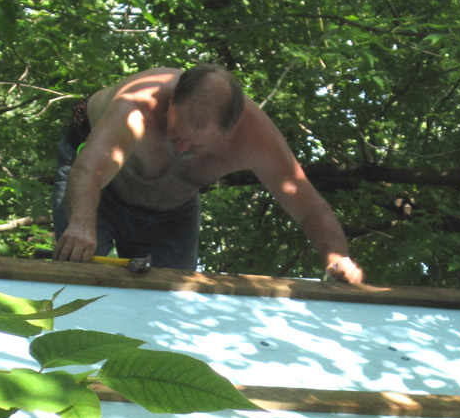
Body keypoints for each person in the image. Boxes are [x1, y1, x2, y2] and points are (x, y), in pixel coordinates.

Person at [52, 64, 366, 283]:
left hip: (171, 213)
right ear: (172, 100)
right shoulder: (139, 104)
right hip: (97, 189)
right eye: (175, 131)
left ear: (230, 132)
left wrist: (338, 259)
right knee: (77, 275)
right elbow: (90, 168)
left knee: (174, 299)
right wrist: (81, 224)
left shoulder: (256, 137)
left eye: (195, 144)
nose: (181, 146)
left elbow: (310, 208)